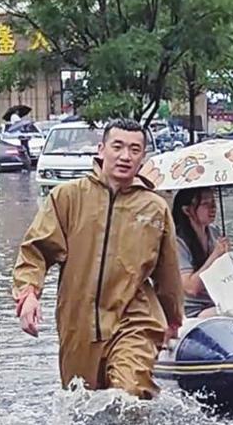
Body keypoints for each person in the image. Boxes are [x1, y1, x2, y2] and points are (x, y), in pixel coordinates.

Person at [13, 118, 184, 399]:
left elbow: (168, 272)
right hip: (77, 322)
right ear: (101, 150)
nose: (125, 156)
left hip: (135, 318)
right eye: (118, 147)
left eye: (134, 150)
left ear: (143, 157)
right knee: (81, 404)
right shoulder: (67, 198)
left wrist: (173, 319)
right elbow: (36, 251)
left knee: (130, 393)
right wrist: (28, 293)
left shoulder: (154, 208)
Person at [172, 187, 232, 318]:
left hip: (216, 300)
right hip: (192, 310)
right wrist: (215, 255)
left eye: (213, 202)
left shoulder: (214, 232)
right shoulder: (177, 243)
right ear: (187, 210)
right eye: (205, 204)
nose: (213, 208)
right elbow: (191, 288)